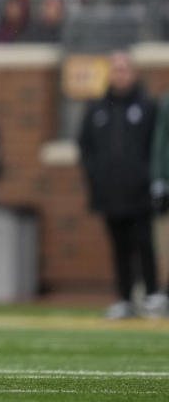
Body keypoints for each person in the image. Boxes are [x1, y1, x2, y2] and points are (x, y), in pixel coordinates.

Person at [78, 51, 164, 318]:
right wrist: (96, 178)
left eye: (124, 69)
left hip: (139, 191)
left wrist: (151, 178)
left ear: (133, 73)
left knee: (144, 242)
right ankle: (124, 297)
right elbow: (86, 147)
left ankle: (151, 294)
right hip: (110, 191)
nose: (120, 74)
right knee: (119, 246)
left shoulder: (147, 106)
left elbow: (157, 146)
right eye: (115, 69)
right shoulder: (97, 108)